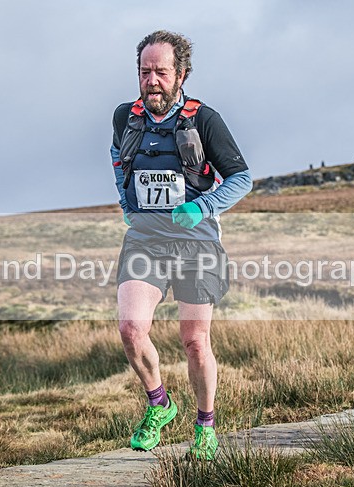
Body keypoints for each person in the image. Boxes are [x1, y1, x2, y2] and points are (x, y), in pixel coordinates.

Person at [110, 30, 252, 460]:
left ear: (181, 74)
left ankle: (205, 425)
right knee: (131, 329)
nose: (152, 80)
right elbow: (119, 159)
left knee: (194, 340)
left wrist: (203, 207)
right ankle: (159, 404)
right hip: (146, 241)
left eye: (161, 72)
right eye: (144, 71)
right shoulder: (124, 117)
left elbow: (242, 178)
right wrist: (126, 202)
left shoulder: (205, 119)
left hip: (196, 244)